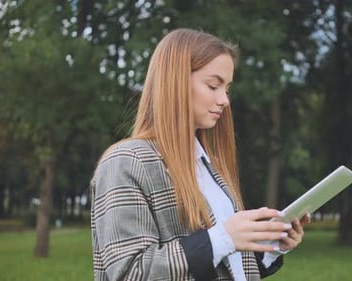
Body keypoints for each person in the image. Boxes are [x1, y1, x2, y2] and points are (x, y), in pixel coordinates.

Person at [90, 28, 311, 281]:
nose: (224, 100)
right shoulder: (126, 162)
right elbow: (130, 272)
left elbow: (223, 265)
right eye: (213, 85)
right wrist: (223, 238)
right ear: (175, 81)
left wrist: (271, 247)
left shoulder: (208, 165)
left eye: (227, 89)